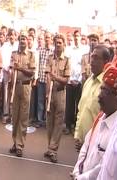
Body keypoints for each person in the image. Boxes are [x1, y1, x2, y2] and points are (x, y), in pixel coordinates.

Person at [71, 60, 117, 179]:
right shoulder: (100, 117)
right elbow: (86, 148)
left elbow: (104, 165)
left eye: (105, 91)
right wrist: (77, 172)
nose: (100, 95)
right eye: (101, 89)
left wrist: (82, 178)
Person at [74, 45, 111, 151]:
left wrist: (91, 143)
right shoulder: (88, 81)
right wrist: (78, 135)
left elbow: (107, 120)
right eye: (92, 57)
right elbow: (81, 110)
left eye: (96, 58)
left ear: (106, 61)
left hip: (97, 146)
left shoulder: (107, 85)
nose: (92, 61)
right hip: (82, 143)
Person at [43, 34, 70, 163]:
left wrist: (56, 78)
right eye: (56, 43)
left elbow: (66, 80)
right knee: (50, 122)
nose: (57, 45)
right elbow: (48, 76)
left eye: (60, 43)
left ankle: (53, 149)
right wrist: (47, 92)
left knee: (58, 122)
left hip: (60, 92)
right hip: (51, 92)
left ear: (63, 44)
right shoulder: (50, 58)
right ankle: (50, 147)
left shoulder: (67, 60)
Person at [9, 31, 35, 157]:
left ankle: (20, 145)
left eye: (24, 39)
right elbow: (10, 68)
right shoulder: (14, 54)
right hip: (15, 86)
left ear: (28, 41)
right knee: (15, 117)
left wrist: (20, 68)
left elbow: (31, 73)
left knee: (23, 117)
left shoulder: (31, 55)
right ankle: (15, 142)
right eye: (21, 39)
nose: (22, 41)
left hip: (25, 86)